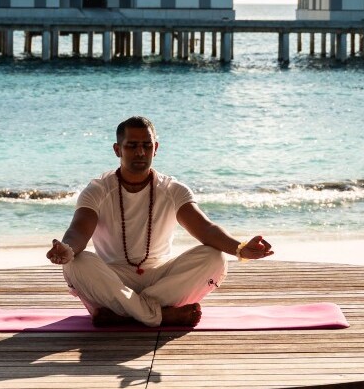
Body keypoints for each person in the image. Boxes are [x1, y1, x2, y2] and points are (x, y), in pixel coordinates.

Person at [46, 115, 274, 327]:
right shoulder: (97, 189)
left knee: (214, 256)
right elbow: (78, 230)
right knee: (76, 262)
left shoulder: (172, 189)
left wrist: (241, 248)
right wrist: (67, 249)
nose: (140, 152)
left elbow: (206, 229)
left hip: (162, 281)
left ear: (156, 148)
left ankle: (126, 313)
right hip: (113, 278)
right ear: (117, 150)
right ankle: (159, 315)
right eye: (132, 146)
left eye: (146, 145)